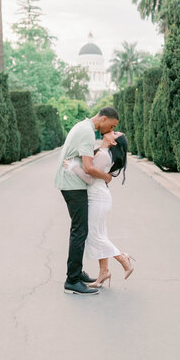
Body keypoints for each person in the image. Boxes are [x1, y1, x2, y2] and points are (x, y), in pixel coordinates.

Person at [55, 107, 119, 295]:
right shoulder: (87, 132)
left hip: (69, 183)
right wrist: (107, 177)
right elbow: (89, 168)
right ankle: (72, 280)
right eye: (112, 125)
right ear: (104, 118)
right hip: (72, 185)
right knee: (80, 231)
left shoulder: (83, 126)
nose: (110, 130)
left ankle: (76, 273)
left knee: (79, 229)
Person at [64, 131, 135, 288]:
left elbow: (89, 179)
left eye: (115, 133)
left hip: (97, 197)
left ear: (114, 142)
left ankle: (123, 259)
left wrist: (73, 167)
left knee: (95, 236)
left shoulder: (104, 155)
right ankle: (104, 272)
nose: (111, 131)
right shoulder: (102, 151)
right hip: (98, 196)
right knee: (100, 234)